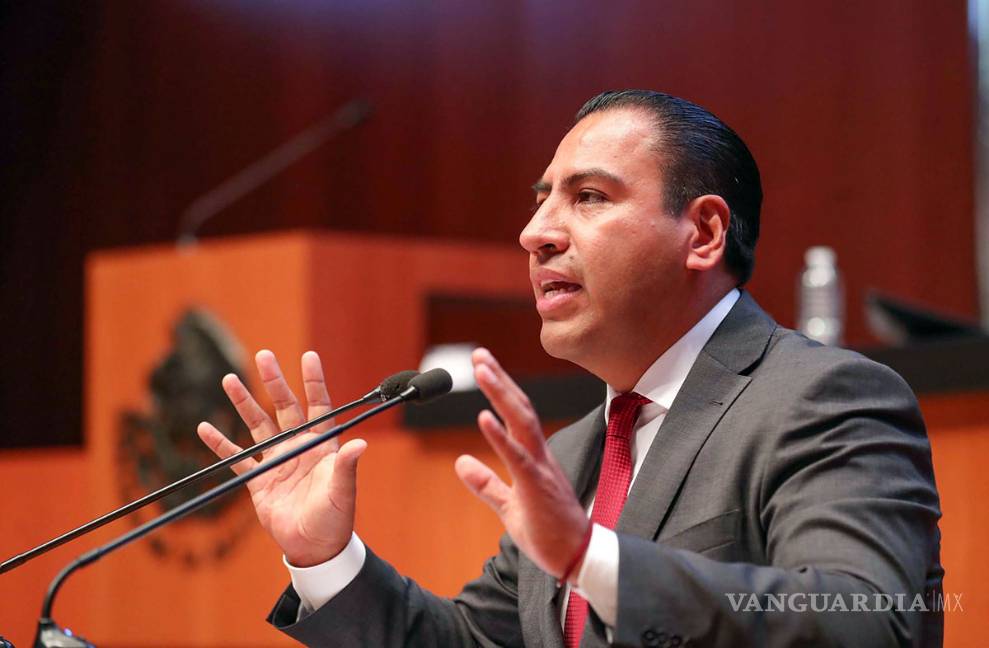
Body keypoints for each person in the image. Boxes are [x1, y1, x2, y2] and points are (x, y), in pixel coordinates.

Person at [197, 90, 942, 647]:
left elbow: (869, 621)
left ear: (704, 233)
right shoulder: (576, 451)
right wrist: (326, 558)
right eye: (541, 201)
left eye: (588, 197)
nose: (535, 233)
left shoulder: (823, 397)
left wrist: (594, 559)